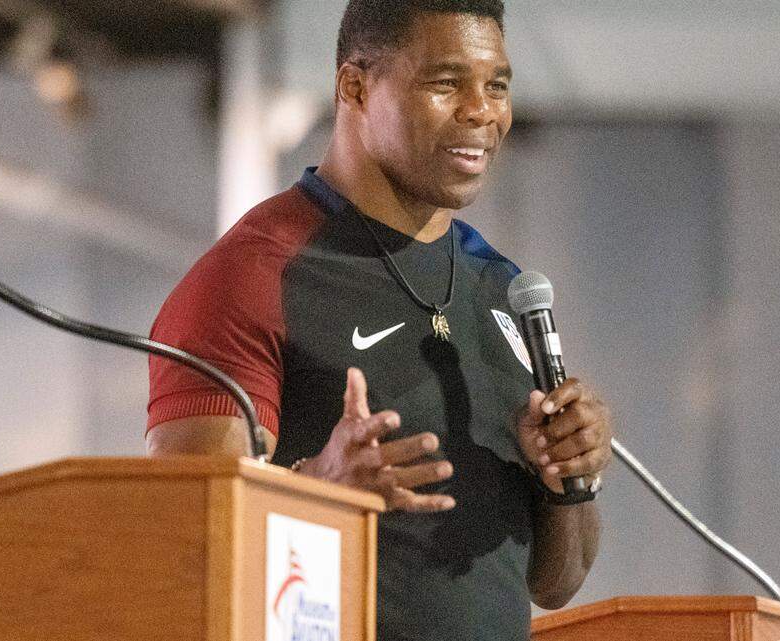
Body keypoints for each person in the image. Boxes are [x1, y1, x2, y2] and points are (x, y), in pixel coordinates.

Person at [145, 1, 614, 639]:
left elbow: (555, 583)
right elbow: (174, 544)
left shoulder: (502, 288)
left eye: (497, 85)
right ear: (355, 86)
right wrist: (318, 488)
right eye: (446, 83)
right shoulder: (254, 275)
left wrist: (570, 476)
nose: (482, 111)